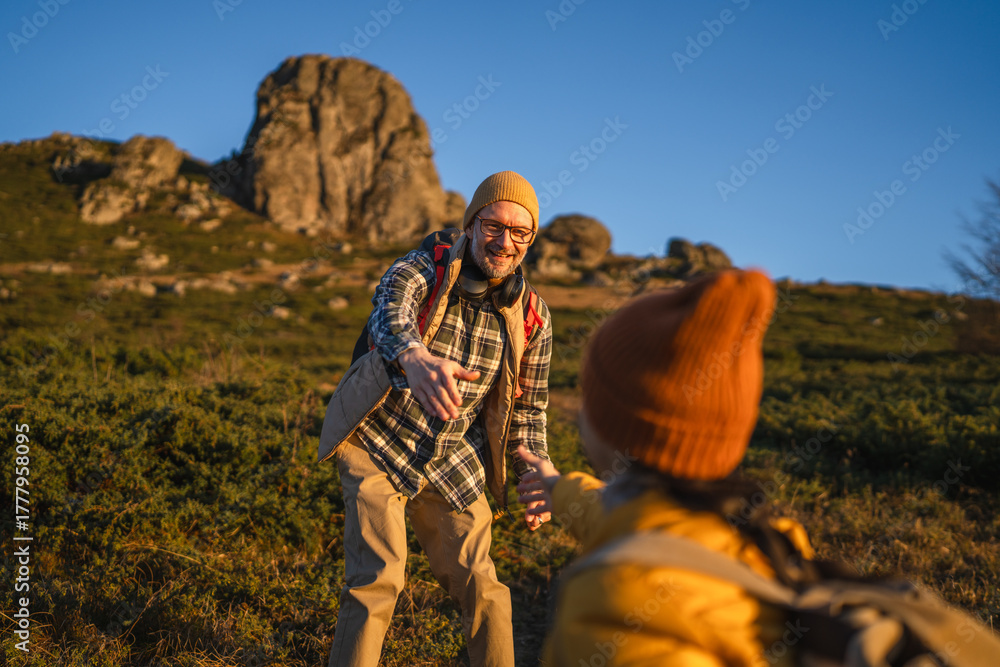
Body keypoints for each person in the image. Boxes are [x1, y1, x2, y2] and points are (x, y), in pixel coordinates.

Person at [517, 269, 818, 666]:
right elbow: (630, 522)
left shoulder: (613, 609)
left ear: (613, 427)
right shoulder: (772, 545)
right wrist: (559, 489)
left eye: (590, 394)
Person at [318, 171, 553, 667]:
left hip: (451, 454)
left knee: (485, 589)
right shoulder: (423, 266)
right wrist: (414, 356)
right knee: (379, 577)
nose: (505, 241)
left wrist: (536, 468)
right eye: (493, 226)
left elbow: (529, 409)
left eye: (520, 232)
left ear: (530, 240)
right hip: (378, 437)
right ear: (470, 225)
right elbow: (390, 310)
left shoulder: (533, 315)